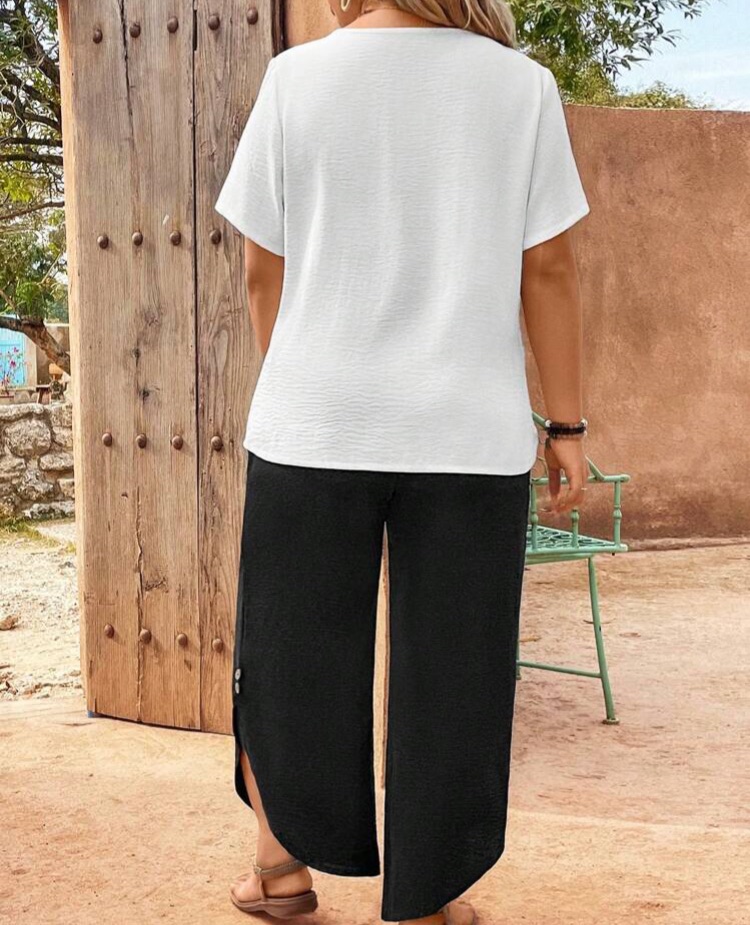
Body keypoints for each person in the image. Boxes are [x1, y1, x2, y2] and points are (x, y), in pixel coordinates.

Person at [213, 1, 591, 922]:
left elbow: (263, 267)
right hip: (467, 430)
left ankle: (280, 869)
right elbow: (547, 270)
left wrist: (304, 383)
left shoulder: (295, 79)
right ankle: (425, 898)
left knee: (289, 660)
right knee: (455, 670)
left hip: (313, 425)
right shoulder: (522, 88)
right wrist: (568, 426)